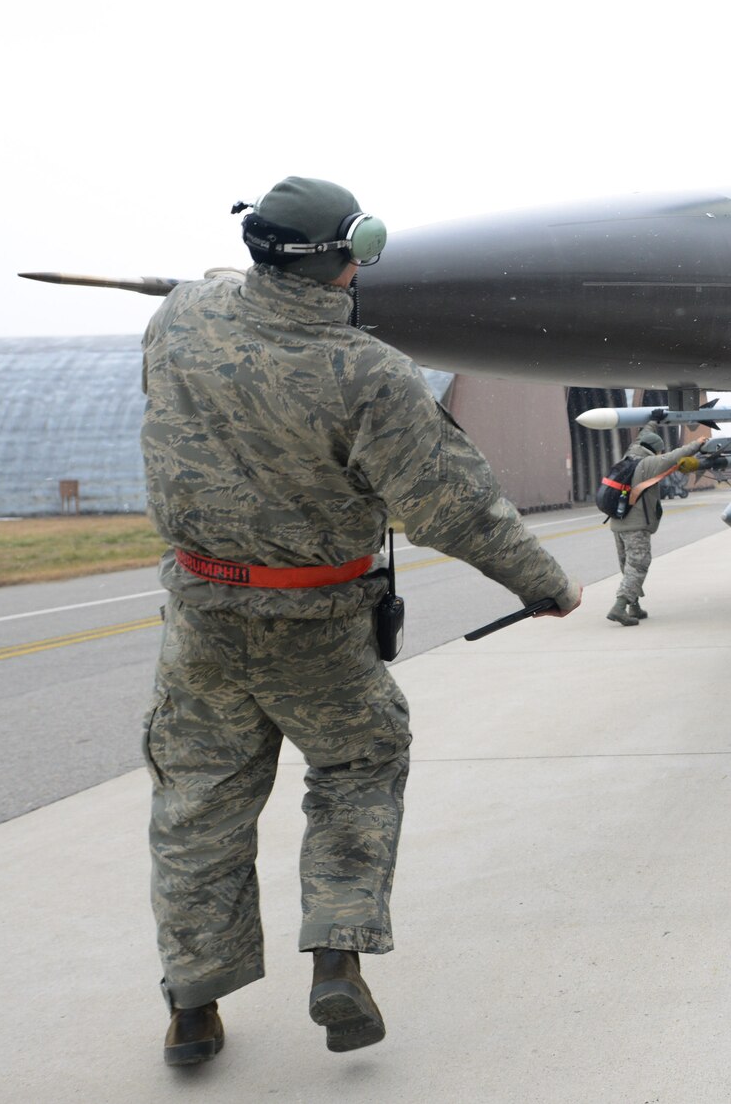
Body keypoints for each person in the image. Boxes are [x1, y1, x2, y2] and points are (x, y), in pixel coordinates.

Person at [141, 177, 583, 1067]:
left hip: (201, 616)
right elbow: (451, 503)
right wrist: (543, 582)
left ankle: (193, 1004)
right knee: (357, 764)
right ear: (344, 256)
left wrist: (238, 282)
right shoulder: (370, 373)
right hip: (314, 621)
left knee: (198, 805)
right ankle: (336, 952)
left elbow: (216, 293)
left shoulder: (179, 320)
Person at [607, 422, 713, 625]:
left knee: (627, 565)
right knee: (638, 565)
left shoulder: (629, 456)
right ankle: (619, 607)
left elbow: (643, 437)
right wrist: (696, 444)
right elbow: (674, 456)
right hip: (635, 524)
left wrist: (652, 422)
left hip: (617, 522)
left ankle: (634, 607)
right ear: (654, 449)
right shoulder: (648, 464)